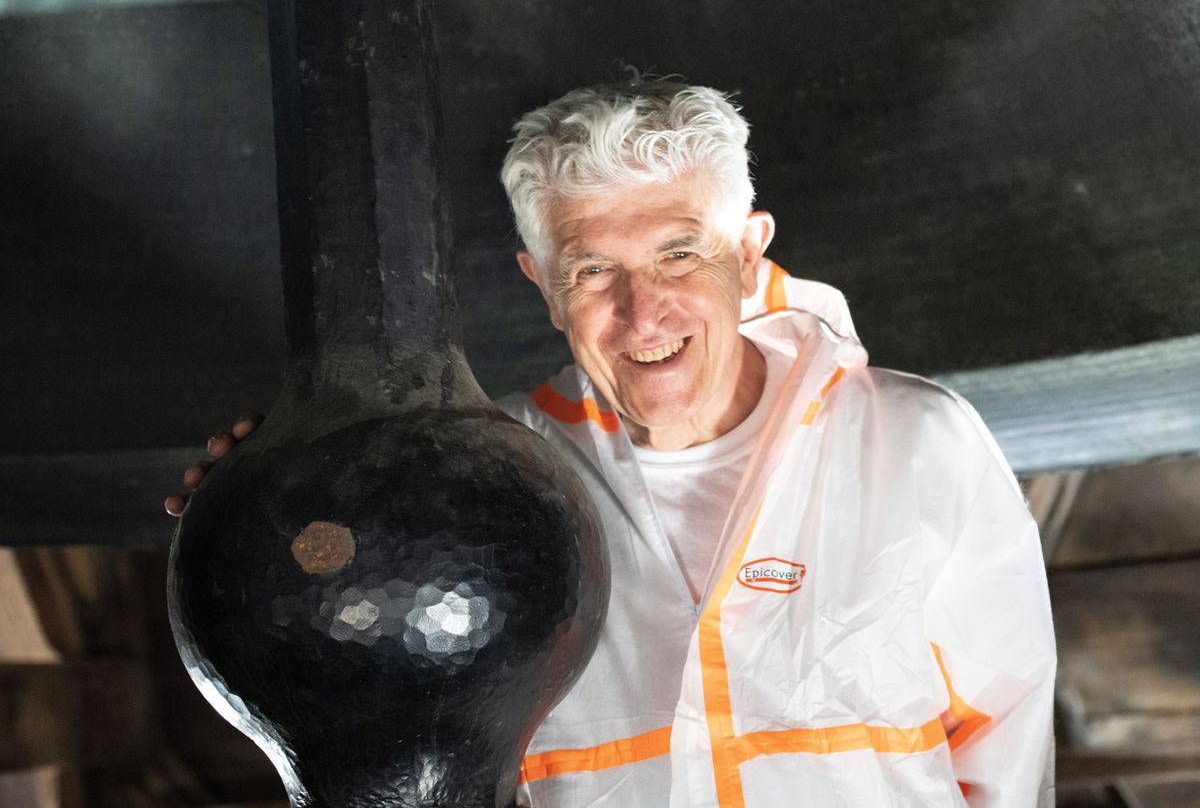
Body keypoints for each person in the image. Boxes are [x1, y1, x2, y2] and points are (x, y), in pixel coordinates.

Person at [168, 80, 1056, 807]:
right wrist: (277, 509)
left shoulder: (913, 443)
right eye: (593, 270)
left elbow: (1008, 746)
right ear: (543, 285)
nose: (643, 312)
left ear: (748, 257)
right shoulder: (485, 481)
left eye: (680, 254)